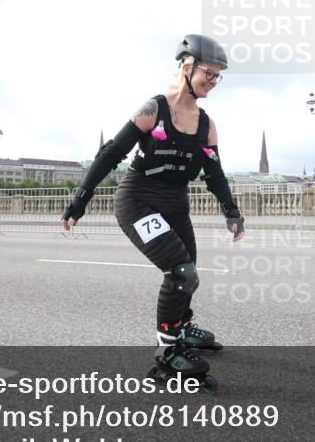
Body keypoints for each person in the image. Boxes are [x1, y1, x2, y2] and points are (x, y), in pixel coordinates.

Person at [62, 34, 244, 383]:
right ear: (187, 67)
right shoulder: (153, 110)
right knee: (180, 273)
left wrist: (231, 211)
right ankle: (167, 353)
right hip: (138, 201)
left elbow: (215, 173)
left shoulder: (207, 125)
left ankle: (182, 327)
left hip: (175, 204)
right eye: (210, 73)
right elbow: (110, 155)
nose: (214, 81)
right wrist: (80, 199)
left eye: (219, 75)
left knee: (189, 275)